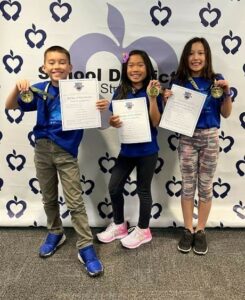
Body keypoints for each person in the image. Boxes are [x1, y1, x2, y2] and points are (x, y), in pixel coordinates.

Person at [5, 45, 108, 276]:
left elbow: (103, 121)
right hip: (42, 150)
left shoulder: (82, 91)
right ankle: (55, 231)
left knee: (75, 201)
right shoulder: (38, 90)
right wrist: (16, 87)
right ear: (44, 67)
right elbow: (9, 106)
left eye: (62, 62)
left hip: (66, 152)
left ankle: (85, 246)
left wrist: (102, 107)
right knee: (48, 196)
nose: (57, 66)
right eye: (51, 62)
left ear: (70, 67)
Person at [164, 37, 232, 255]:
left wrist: (227, 92)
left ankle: (200, 230)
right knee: (187, 184)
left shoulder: (216, 81)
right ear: (186, 56)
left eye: (201, 53)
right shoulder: (179, 81)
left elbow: (226, 113)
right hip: (187, 138)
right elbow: (172, 114)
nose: (196, 57)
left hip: (210, 137)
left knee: (205, 185)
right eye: (192, 53)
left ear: (207, 56)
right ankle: (187, 229)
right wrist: (167, 101)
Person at [97, 49, 163, 249]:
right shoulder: (121, 90)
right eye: (131, 65)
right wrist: (113, 121)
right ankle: (119, 225)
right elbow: (115, 119)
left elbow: (156, 121)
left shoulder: (154, 89)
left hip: (147, 151)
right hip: (127, 151)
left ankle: (144, 230)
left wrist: (153, 98)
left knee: (143, 190)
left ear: (147, 68)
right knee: (114, 187)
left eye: (140, 65)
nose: (135, 69)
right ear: (125, 68)